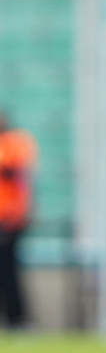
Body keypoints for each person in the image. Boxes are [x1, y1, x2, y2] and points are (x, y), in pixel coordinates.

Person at [0, 115, 37, 328]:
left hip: (7, 219)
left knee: (8, 271)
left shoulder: (15, 143)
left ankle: (17, 320)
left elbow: (22, 181)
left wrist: (18, 214)